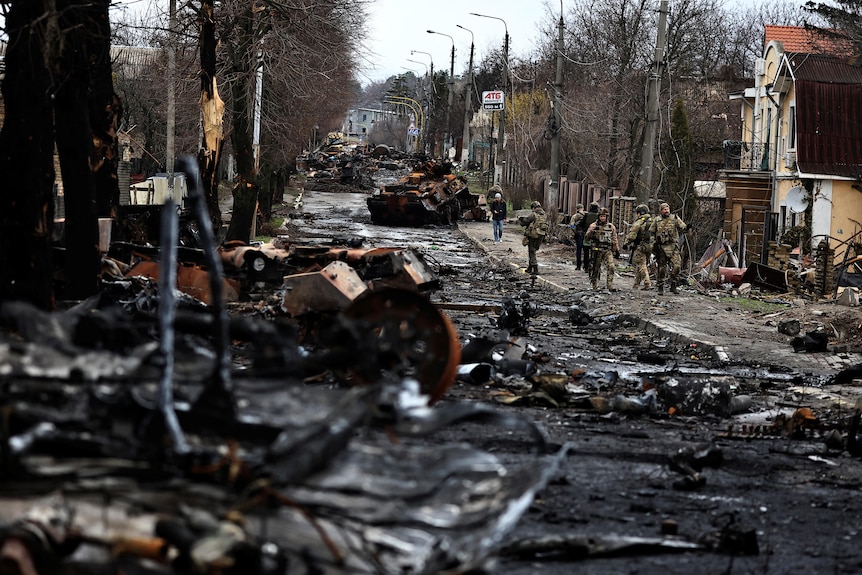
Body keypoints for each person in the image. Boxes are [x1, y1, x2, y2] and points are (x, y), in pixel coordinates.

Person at [649, 202, 688, 294]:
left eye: (668, 209)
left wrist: (687, 227)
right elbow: (651, 233)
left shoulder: (674, 218)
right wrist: (653, 244)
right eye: (664, 209)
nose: (666, 211)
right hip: (662, 247)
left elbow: (682, 226)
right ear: (661, 211)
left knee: (677, 267)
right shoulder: (656, 220)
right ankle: (660, 287)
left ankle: (673, 285)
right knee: (662, 269)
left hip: (673, 246)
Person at [585, 207, 620, 291]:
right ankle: (594, 285)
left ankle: (609, 285)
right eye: (601, 216)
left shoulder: (611, 226)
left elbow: (614, 238)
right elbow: (587, 237)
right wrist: (591, 232)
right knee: (595, 269)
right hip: (597, 250)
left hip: (607, 250)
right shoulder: (593, 226)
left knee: (611, 267)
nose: (602, 218)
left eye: (604, 216)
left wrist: (617, 250)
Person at [623, 204, 653, 290]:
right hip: (650, 246)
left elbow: (632, 235)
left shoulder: (639, 222)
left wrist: (626, 243)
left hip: (641, 245)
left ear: (639, 213)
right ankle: (636, 283)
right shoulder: (653, 221)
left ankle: (647, 283)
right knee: (643, 264)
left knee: (641, 264)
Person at [518, 200, 549, 275]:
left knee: (532, 251)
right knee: (533, 250)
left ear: (534, 208)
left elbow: (526, 221)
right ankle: (530, 267)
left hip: (534, 234)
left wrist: (520, 219)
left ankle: (535, 268)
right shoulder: (544, 215)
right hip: (541, 235)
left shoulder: (533, 214)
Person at [579, 202, 600, 274]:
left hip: (587, 235)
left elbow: (580, 224)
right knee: (595, 252)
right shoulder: (599, 216)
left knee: (586, 252)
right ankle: (594, 267)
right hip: (597, 237)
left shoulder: (586, 215)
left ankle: (586, 267)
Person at [568, 203, 586, 269]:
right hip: (586, 235)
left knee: (579, 250)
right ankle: (586, 266)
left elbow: (572, 226)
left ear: (577, 209)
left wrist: (573, 233)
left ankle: (578, 266)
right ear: (583, 208)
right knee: (586, 251)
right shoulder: (587, 215)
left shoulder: (574, 216)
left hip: (579, 234)